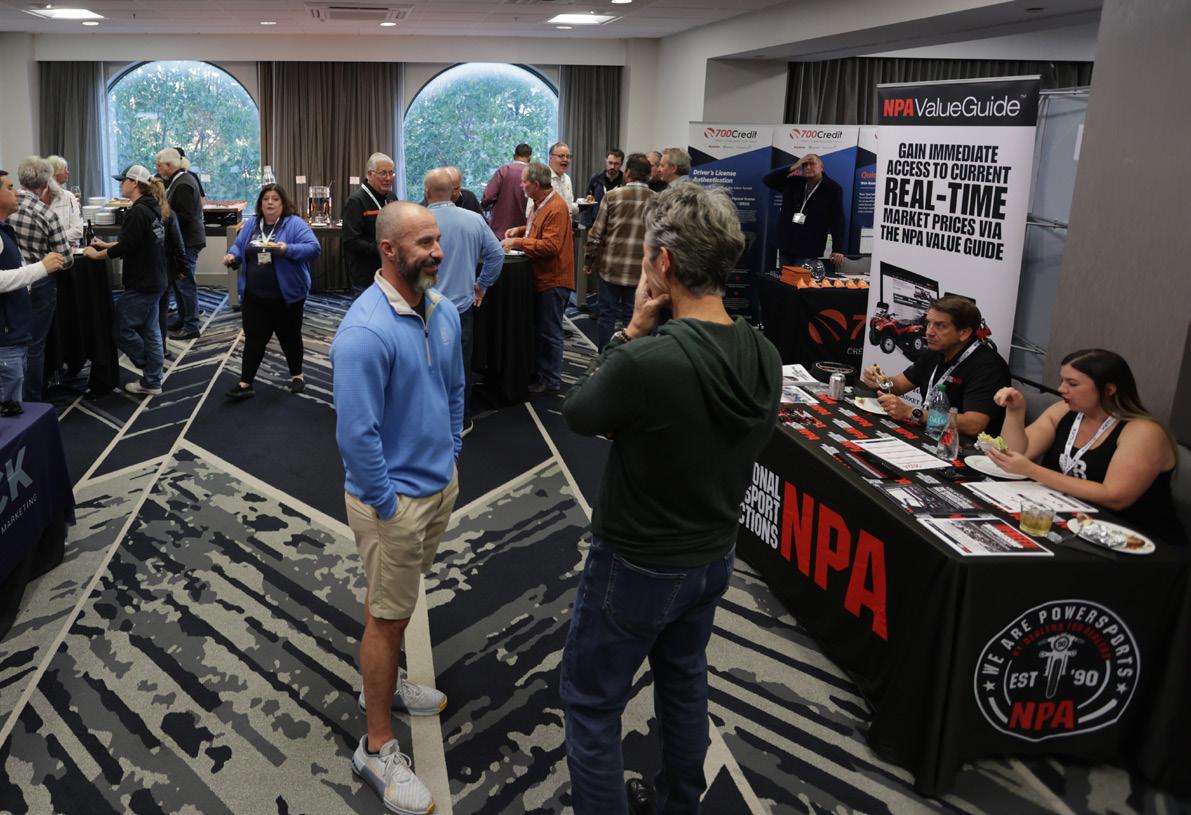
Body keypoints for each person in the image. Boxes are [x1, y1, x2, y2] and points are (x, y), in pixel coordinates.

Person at [560, 182, 781, 815]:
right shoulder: (763, 352)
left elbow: (579, 411)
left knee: (592, 702)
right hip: (713, 554)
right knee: (684, 682)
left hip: (638, 560)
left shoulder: (649, 361)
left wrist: (630, 328)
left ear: (664, 263)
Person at [330, 201, 462, 815]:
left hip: (437, 487)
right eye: (424, 243)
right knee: (387, 617)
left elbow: (453, 389)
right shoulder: (364, 332)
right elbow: (356, 437)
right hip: (394, 504)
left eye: (437, 239)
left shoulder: (442, 310)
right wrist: (388, 504)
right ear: (388, 250)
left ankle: (383, 682)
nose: (438, 251)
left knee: (392, 599)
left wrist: (452, 451)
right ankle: (376, 746)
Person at [987, 349, 1184, 542]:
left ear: (1109, 390)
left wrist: (1032, 470)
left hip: (1133, 538)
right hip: (1070, 520)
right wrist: (1015, 411)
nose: (1061, 389)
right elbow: (1015, 454)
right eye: (1062, 380)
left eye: (1072, 384)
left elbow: (1114, 497)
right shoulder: (1063, 411)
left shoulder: (1143, 432)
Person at [424, 168, 504, 433]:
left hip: (425, 309)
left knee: (426, 366)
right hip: (461, 309)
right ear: (453, 192)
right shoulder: (474, 220)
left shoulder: (417, 221)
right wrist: (482, 285)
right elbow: (497, 256)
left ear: (427, 192)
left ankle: (430, 421)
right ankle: (460, 420)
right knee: (461, 367)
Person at [223, 183, 321, 399]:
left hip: (287, 297)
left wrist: (287, 249)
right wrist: (232, 255)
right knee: (254, 338)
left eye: (275, 199)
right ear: (260, 203)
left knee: (290, 337)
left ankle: (297, 376)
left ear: (283, 203)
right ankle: (245, 383)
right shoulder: (252, 223)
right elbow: (239, 245)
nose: (270, 203)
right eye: (266, 199)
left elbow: (314, 248)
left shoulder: (294, 224)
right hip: (254, 296)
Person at [862, 295, 1009, 436]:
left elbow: (973, 425)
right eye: (928, 323)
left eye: (940, 326)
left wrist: (912, 413)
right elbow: (900, 384)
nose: (929, 332)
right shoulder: (936, 350)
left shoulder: (988, 366)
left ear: (964, 333)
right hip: (929, 433)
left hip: (961, 446)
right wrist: (880, 381)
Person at [84, 165, 167, 397]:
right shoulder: (151, 208)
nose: (121, 185)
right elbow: (136, 241)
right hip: (155, 278)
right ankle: (152, 380)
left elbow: (127, 246)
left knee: (121, 330)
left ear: (135, 183)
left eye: (124, 181)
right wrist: (106, 245)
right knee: (151, 331)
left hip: (143, 282)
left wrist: (97, 255)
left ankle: (149, 369)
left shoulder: (138, 212)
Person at [501, 162, 574, 395]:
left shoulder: (556, 207)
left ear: (535, 184)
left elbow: (550, 246)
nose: (521, 185)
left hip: (553, 279)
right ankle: (542, 373)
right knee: (543, 330)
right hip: (544, 277)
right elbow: (540, 229)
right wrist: (520, 229)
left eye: (524, 181)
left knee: (550, 332)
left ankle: (551, 380)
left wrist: (517, 242)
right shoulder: (540, 203)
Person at [0, 169, 66, 416]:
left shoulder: (5, 229)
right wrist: (41, 268)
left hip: (12, 333)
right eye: (9, 188)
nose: (16, 193)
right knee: (9, 416)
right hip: (5, 340)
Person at [584, 153, 654, 348]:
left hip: (611, 268)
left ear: (628, 173)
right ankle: (629, 359)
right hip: (640, 272)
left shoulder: (613, 196)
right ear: (648, 175)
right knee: (633, 317)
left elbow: (596, 234)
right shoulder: (657, 200)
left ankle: (604, 357)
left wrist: (589, 260)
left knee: (606, 316)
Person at [762, 153, 846, 270]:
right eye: (804, 164)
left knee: (801, 279)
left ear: (821, 168)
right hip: (786, 243)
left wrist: (838, 248)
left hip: (809, 246)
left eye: (812, 164)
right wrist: (794, 166)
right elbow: (768, 180)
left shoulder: (832, 188)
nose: (808, 167)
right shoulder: (794, 182)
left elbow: (837, 220)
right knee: (785, 279)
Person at [156, 147, 206, 340]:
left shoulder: (183, 183)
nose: (158, 169)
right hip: (184, 240)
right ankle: (184, 318)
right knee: (178, 282)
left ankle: (191, 325)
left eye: (159, 166)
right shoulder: (180, 179)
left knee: (185, 283)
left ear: (169, 165)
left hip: (188, 240)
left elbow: (185, 215)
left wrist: (165, 221)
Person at [342, 152, 399, 296]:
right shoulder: (356, 201)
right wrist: (381, 249)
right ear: (370, 174)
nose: (388, 178)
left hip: (390, 272)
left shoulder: (392, 198)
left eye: (391, 173)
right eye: (383, 173)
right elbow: (351, 241)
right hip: (366, 276)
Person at [482, 143, 532, 238]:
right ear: (530, 157)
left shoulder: (504, 171)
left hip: (499, 230)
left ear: (514, 156)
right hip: (522, 231)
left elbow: (488, 196)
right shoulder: (533, 175)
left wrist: (485, 207)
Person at [527, 142, 579, 221]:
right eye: (561, 156)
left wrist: (580, 206)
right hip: (549, 227)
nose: (565, 159)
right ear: (550, 157)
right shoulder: (540, 178)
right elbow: (529, 212)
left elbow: (568, 205)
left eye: (568, 156)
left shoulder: (567, 179)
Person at [45, 155, 84, 244]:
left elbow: (78, 231)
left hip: (68, 248)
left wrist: (51, 240)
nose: (68, 172)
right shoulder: (40, 197)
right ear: (54, 172)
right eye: (64, 169)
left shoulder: (68, 196)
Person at [581, 149, 624, 227]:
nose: (612, 167)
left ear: (621, 164)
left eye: (616, 164)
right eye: (610, 163)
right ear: (606, 161)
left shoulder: (625, 182)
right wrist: (587, 226)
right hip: (596, 224)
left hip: (617, 225)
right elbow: (588, 203)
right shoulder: (595, 179)